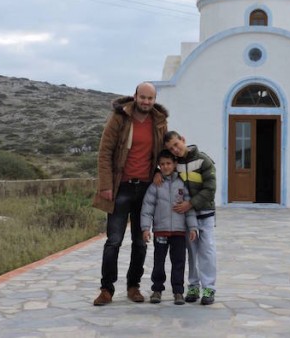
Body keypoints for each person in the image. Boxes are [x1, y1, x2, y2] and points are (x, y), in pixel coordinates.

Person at [92, 82, 168, 306]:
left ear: (154, 100)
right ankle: (107, 289)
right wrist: (106, 184)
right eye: (142, 97)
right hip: (120, 187)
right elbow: (105, 151)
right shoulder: (120, 118)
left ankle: (133, 286)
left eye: (150, 98)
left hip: (145, 189)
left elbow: (163, 152)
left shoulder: (159, 121)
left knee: (140, 242)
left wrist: (156, 172)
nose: (146, 102)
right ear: (135, 96)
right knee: (113, 240)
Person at [163, 130, 217, 305]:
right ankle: (193, 286)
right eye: (171, 148)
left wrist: (190, 204)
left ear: (183, 140)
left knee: (207, 250)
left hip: (205, 214)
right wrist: (157, 173)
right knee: (191, 252)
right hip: (186, 218)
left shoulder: (203, 160)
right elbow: (164, 171)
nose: (175, 150)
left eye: (176, 145)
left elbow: (210, 190)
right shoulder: (175, 164)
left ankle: (208, 288)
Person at [141, 149, 198, 305]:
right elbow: (147, 208)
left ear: (174, 164)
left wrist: (193, 227)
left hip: (179, 232)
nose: (165, 167)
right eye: (162, 164)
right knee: (159, 261)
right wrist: (146, 228)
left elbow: (189, 209)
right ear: (159, 166)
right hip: (161, 231)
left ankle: (178, 292)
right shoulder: (156, 185)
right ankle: (157, 290)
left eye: (168, 163)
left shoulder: (182, 184)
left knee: (179, 262)